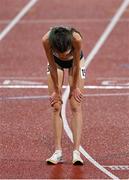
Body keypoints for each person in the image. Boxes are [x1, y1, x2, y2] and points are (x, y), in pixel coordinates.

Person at [42, 26, 86, 165]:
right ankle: (58, 152)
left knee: (75, 104)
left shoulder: (76, 39)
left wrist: (74, 88)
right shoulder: (46, 40)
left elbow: (77, 64)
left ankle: (76, 152)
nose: (63, 56)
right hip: (56, 65)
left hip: (75, 63)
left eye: (65, 53)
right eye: (59, 53)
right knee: (56, 105)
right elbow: (52, 65)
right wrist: (56, 89)